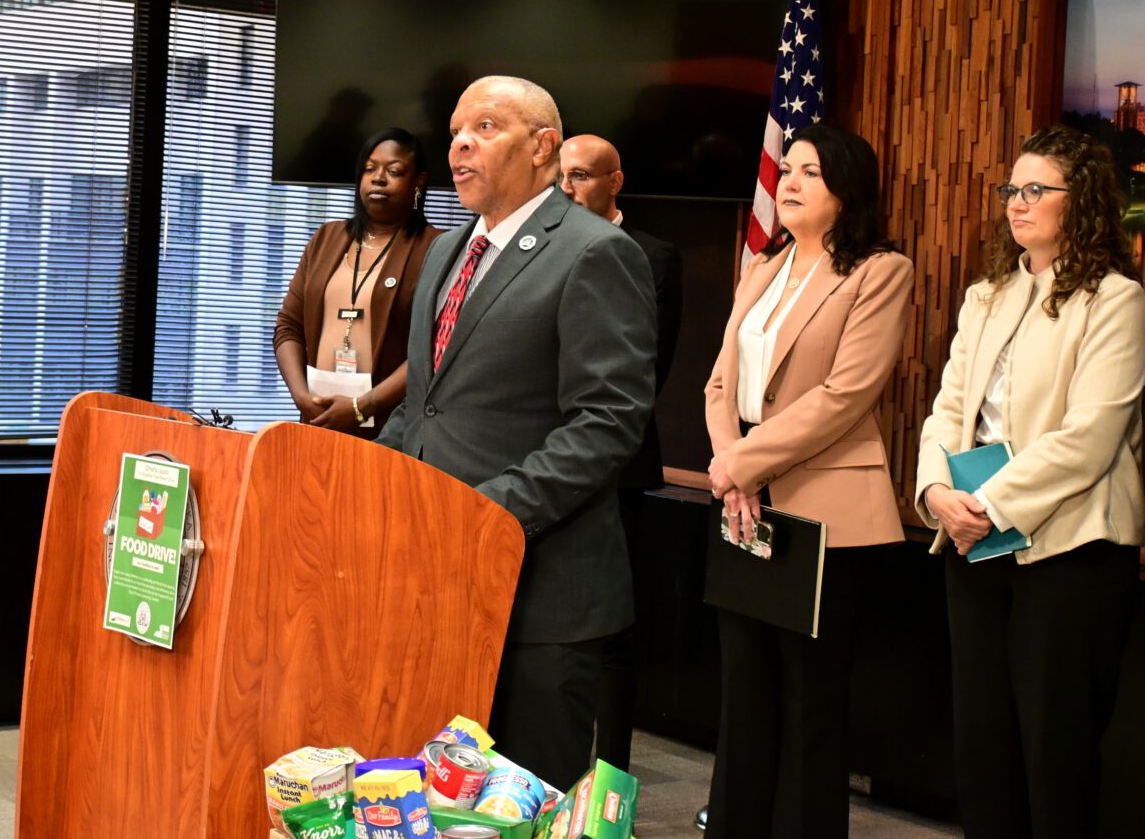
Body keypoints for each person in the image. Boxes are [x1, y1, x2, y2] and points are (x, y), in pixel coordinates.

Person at [376, 76, 657, 790]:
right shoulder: (446, 251)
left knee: (522, 807)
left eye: (486, 127)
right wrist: (365, 484)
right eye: (454, 133)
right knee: (439, 803)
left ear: (542, 147)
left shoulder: (594, 252)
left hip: (542, 599)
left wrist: (488, 512)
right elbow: (423, 406)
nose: (460, 146)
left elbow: (607, 421)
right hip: (437, 578)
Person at [915, 125, 1144, 839]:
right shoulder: (986, 295)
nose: (1017, 202)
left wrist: (988, 504)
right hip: (974, 546)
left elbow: (1088, 438)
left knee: (1055, 761)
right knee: (983, 756)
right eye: (1012, 189)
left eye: (1036, 189)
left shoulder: (1116, 301)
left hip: (1070, 553)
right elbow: (948, 408)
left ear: (1082, 201)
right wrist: (937, 495)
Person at [703, 123, 912, 839]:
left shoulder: (880, 271)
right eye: (787, 169)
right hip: (742, 502)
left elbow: (845, 395)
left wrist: (742, 464)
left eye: (810, 172)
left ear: (847, 190)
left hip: (825, 511)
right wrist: (730, 468)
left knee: (807, 703)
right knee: (744, 691)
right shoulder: (762, 266)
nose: (789, 182)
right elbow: (720, 381)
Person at [558, 133, 683, 771]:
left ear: (615, 182)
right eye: (561, 177)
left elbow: (642, 372)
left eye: (581, 176)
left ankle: (610, 779)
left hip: (616, 465)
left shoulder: (651, 256)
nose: (567, 189)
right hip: (537, 459)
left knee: (611, 630)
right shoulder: (539, 251)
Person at [274, 127, 443, 439]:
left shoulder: (436, 248)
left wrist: (361, 406)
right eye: (369, 169)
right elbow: (288, 326)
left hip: (393, 428)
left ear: (418, 181)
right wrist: (302, 398)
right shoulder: (325, 238)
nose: (378, 178)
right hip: (319, 418)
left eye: (394, 171)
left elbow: (433, 349)